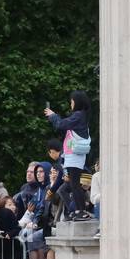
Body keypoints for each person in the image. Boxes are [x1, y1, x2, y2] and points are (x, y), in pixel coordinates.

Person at [44, 90, 94, 220]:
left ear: (77, 102)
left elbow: (61, 124)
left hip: (74, 156)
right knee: (73, 184)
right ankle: (78, 210)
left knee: (75, 184)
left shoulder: (78, 115)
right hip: (74, 155)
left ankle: (80, 210)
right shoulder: (81, 115)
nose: (71, 104)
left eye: (72, 101)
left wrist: (53, 115)